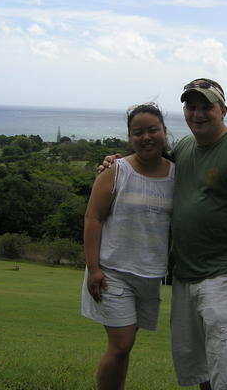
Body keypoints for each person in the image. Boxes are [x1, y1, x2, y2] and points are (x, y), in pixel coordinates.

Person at [102, 78, 227, 390]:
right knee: (202, 368)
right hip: (185, 276)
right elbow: (149, 162)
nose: (198, 113)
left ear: (222, 109)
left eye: (206, 106)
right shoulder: (184, 148)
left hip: (226, 275)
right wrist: (116, 161)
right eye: (191, 106)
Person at [82, 103, 175, 390]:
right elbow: (93, 217)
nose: (146, 137)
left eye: (152, 130)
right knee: (121, 343)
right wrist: (94, 268)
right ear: (130, 137)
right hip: (113, 271)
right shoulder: (116, 170)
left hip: (150, 274)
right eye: (138, 132)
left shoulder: (176, 174)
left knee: (126, 345)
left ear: (163, 132)